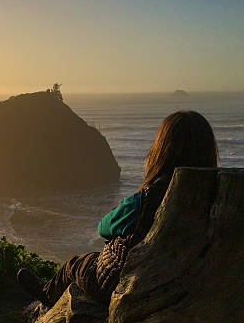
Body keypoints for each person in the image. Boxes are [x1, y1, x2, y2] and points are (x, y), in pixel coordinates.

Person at [17, 110, 219, 306]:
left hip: (123, 284)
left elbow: (104, 227)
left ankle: (46, 294)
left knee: (73, 264)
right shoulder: (217, 195)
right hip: (184, 282)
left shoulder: (147, 199)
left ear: (162, 151)